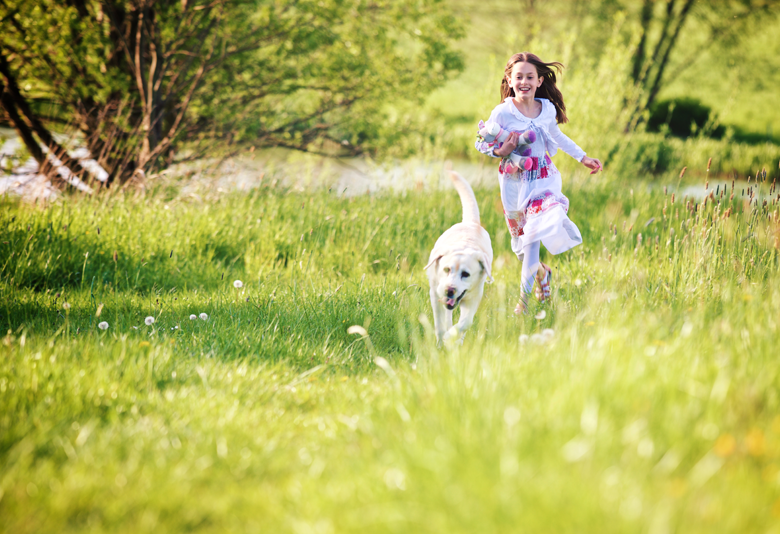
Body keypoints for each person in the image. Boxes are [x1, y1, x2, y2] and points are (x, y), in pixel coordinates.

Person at [475, 52, 602, 315]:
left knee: (532, 239)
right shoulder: (502, 112)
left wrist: (583, 157)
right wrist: (500, 151)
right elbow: (481, 141)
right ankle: (543, 274)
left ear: (539, 81)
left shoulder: (547, 109)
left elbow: (558, 137)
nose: (524, 82)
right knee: (522, 250)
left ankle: (522, 305)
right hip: (513, 185)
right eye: (519, 77)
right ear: (509, 80)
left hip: (543, 182)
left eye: (530, 77)